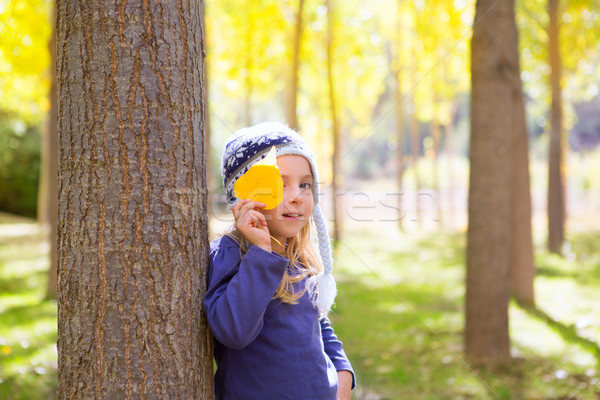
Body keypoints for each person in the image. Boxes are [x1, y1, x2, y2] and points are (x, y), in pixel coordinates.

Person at [204, 122, 356, 400]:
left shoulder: (298, 256)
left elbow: (315, 323)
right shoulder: (229, 254)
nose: (297, 197)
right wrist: (262, 252)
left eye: (305, 185)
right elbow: (233, 331)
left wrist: (342, 371)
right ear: (246, 195)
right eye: (280, 185)